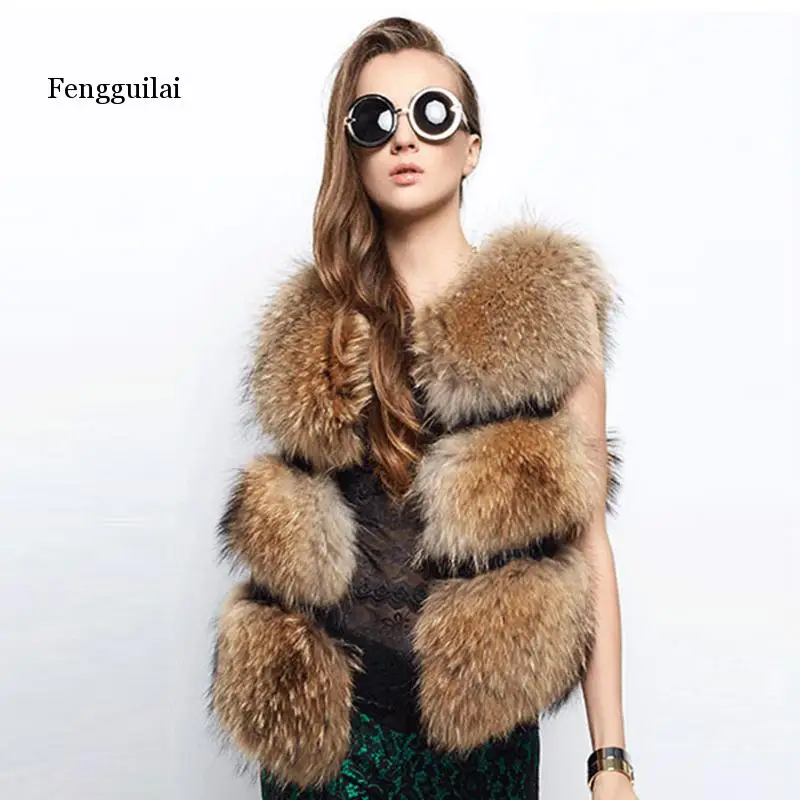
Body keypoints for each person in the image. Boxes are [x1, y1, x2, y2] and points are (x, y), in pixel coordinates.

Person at [210, 16, 637, 800]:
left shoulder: (550, 318)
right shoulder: (316, 332)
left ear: (471, 147)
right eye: (375, 120)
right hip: (337, 744)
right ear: (353, 152)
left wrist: (609, 762)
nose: (404, 137)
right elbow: (295, 545)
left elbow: (589, 543)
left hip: (485, 740)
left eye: (432, 114)